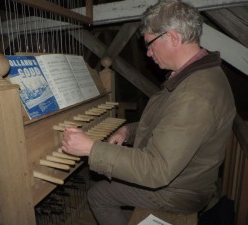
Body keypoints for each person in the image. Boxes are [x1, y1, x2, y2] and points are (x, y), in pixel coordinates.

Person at [61, 0, 236, 224]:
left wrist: (91, 148)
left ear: (172, 37)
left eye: (150, 44)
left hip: (178, 193)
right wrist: (128, 132)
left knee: (99, 194)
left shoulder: (195, 94)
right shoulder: (197, 73)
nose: (149, 53)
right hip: (188, 180)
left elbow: (156, 169)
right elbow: (169, 125)